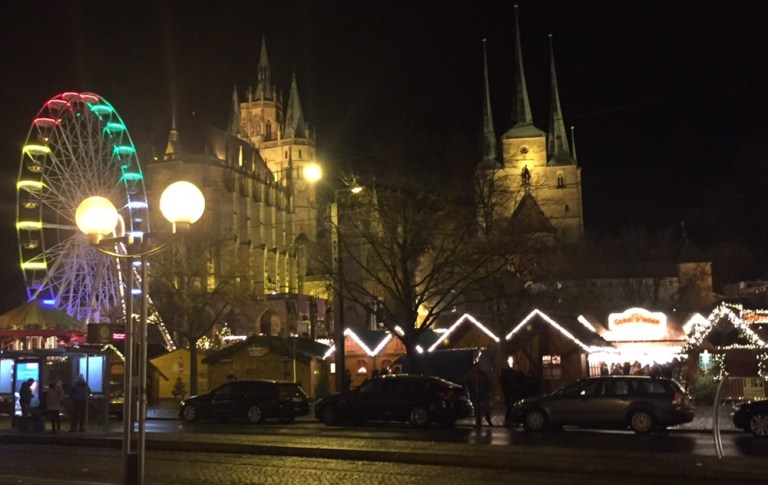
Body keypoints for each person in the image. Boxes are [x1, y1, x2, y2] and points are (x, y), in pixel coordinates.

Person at [466, 363, 492, 428]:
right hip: (475, 394)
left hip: (483, 394)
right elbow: (469, 384)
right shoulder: (471, 375)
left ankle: (488, 420)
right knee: (477, 410)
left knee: (486, 408)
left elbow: (488, 383)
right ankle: (478, 423)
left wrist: (487, 392)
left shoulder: (483, 374)